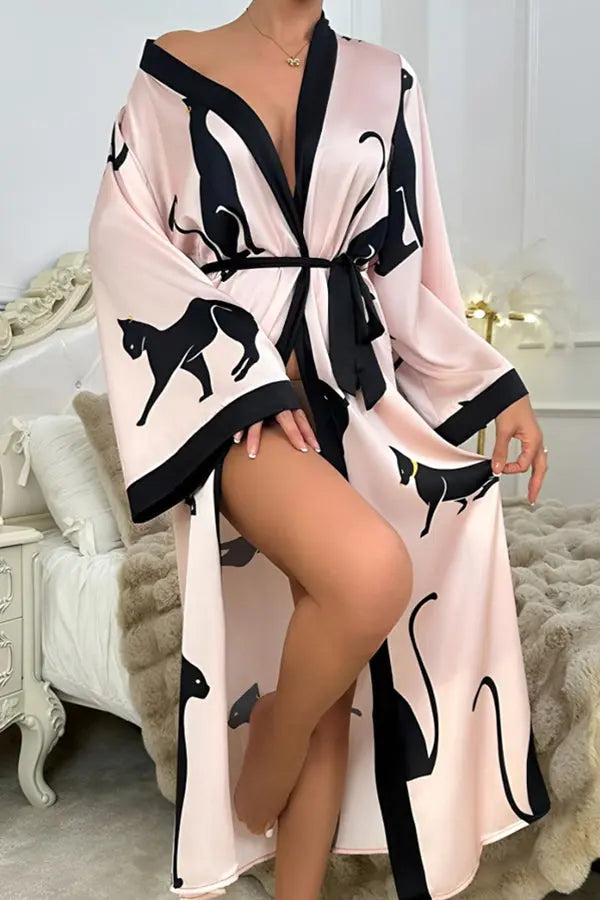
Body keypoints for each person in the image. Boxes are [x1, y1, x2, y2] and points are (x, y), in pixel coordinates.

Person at [87, 2, 551, 898]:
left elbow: (411, 266)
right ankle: (271, 734)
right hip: (240, 409)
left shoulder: (385, 79)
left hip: (356, 401)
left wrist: (499, 386)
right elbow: (124, 245)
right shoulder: (172, 69)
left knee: (332, 663)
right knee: (369, 577)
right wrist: (246, 381)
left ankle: (294, 823)